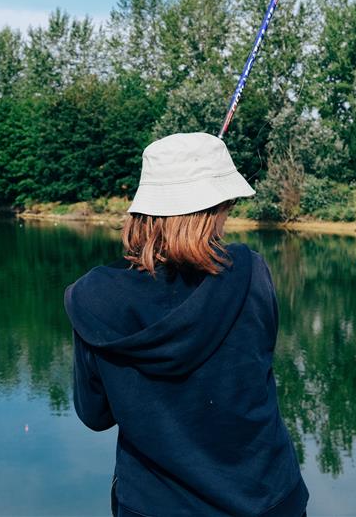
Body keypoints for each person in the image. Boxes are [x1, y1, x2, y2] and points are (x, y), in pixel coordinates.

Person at [64, 132, 309, 517]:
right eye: (227, 205)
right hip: (269, 501)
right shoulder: (251, 271)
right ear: (215, 209)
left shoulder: (93, 298)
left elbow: (95, 415)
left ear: (144, 207)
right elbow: (256, 363)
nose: (227, 217)